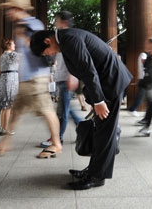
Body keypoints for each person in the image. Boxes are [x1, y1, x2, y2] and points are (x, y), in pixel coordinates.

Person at [30, 28, 132, 190]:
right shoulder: (66, 39)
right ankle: (93, 170)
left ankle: (97, 176)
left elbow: (88, 70)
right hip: (106, 82)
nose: (48, 55)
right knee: (101, 130)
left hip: (111, 82)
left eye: (45, 52)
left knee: (105, 131)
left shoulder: (68, 39)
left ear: (47, 41)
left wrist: (98, 101)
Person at [0, 0, 62, 159]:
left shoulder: (32, 24)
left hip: (36, 78)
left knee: (46, 110)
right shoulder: (22, 26)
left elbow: (42, 47)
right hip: (27, 78)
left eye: (9, 9)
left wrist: (24, 37)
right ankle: (4, 144)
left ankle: (56, 143)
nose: (7, 13)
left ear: (18, 9)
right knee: (17, 111)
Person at [40, 11, 83, 148]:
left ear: (63, 22)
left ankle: (57, 138)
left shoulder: (68, 37)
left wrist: (72, 75)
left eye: (56, 21)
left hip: (66, 78)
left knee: (63, 111)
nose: (54, 23)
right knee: (67, 110)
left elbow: (75, 59)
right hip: (63, 77)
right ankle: (82, 129)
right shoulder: (61, 37)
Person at [0, 38, 18, 135]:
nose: (15, 45)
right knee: (9, 105)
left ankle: (2, 127)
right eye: (13, 44)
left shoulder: (2, 56)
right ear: (9, 45)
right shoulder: (14, 55)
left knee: (4, 106)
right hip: (11, 80)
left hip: (3, 80)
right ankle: (6, 128)